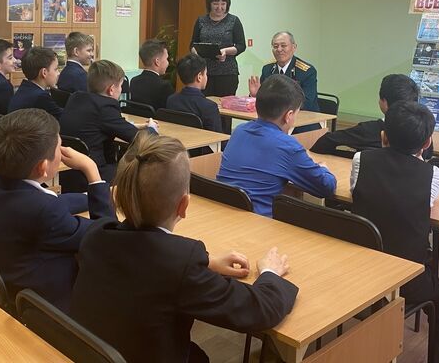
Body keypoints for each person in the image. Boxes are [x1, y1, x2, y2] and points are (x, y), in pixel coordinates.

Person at [71, 131, 298, 363]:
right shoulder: (181, 263)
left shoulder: (96, 235)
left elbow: (143, 263)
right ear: (184, 205)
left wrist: (208, 263)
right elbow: (257, 311)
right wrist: (270, 272)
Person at [0, 109, 113, 313]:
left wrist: (90, 197)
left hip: (9, 284)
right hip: (49, 306)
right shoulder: (45, 211)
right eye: (59, 147)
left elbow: (49, 200)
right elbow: (106, 236)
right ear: (43, 167)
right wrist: (92, 172)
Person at [350, 101, 439, 363]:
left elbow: (357, 194)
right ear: (427, 143)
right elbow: (422, 204)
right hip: (407, 277)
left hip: (359, 269)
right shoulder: (434, 175)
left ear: (383, 136)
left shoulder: (361, 160)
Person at [216, 75, 336, 217]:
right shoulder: (288, 146)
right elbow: (326, 187)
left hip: (224, 215)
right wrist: (324, 169)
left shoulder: (239, 131)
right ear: (288, 115)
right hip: (259, 223)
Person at [60, 60, 157, 183]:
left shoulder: (76, 97)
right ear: (111, 89)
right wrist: (152, 128)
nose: (121, 90)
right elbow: (142, 139)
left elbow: (100, 124)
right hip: (96, 174)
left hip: (68, 171)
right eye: (120, 86)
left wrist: (135, 126)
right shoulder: (105, 107)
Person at [311, 73, 433, 159]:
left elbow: (325, 142)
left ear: (384, 102)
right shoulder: (422, 131)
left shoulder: (368, 130)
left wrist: (347, 157)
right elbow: (428, 154)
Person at [190, 0, 246, 98]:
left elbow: (241, 45)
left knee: (224, 105)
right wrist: (197, 53)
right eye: (215, 4)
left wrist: (225, 51)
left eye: (223, 4)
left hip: (227, 73)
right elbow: (192, 44)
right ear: (209, 4)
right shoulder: (201, 21)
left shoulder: (234, 21)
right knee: (204, 104)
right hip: (204, 72)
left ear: (227, 4)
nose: (219, 8)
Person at [248, 31, 319, 113]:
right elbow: (262, 100)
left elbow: (306, 103)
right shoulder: (267, 69)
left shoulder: (307, 71)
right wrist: (255, 95)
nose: (279, 49)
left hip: (303, 116)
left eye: (283, 46)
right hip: (274, 116)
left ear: (294, 47)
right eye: (275, 46)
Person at [166, 53, 221, 133]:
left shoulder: (171, 100)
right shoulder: (209, 107)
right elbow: (218, 137)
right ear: (199, 77)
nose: (207, 77)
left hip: (176, 140)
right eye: (205, 74)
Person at [8, 47, 62, 120]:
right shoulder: (40, 97)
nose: (58, 73)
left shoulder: (24, 89)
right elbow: (64, 118)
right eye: (56, 69)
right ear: (44, 72)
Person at [130, 39, 173, 111]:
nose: (168, 63)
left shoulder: (134, 81)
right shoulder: (164, 86)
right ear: (157, 61)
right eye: (167, 59)